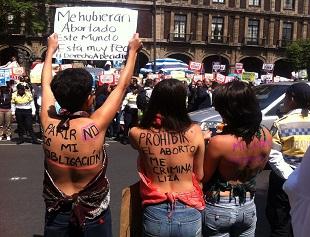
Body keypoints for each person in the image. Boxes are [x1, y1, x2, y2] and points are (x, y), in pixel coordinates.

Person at [40, 33, 142, 236]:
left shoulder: (47, 121)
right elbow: (121, 87)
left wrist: (50, 50)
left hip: (56, 211)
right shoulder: (96, 125)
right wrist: (133, 52)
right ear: (89, 99)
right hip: (94, 214)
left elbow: (45, 85)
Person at [129, 79, 206, 237]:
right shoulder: (195, 132)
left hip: (155, 209)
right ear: (181, 102)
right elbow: (199, 176)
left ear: (154, 100)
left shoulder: (137, 134)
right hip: (189, 209)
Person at [202, 80, 272, 237]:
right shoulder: (266, 134)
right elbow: (260, 167)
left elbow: (204, 177)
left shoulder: (219, 142)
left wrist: (201, 145)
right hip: (248, 205)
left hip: (220, 206)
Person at [266, 82, 310, 237]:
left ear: (292, 99)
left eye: (286, 98)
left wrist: (290, 177)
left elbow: (273, 154)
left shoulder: (281, 123)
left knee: (280, 224)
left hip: (284, 181)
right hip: (309, 181)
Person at [283, 122, 310, 237]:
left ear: (291, 102)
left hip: (298, 175)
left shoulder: (282, 123)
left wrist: (288, 174)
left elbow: (274, 152)